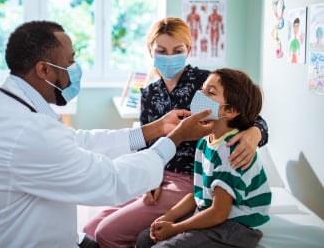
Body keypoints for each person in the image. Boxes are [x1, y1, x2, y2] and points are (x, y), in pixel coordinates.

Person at [0, 20, 214, 248]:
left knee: (100, 234)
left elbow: (78, 141)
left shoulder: (5, 105)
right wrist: (174, 138)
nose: (76, 68)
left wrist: (155, 130)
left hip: (30, 234)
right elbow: (112, 181)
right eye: (71, 61)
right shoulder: (25, 131)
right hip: (11, 241)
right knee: (99, 230)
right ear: (44, 70)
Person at [82, 17, 268, 248]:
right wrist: (149, 176)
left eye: (177, 50)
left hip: (192, 179)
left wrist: (254, 134)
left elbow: (250, 116)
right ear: (150, 51)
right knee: (90, 230)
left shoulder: (206, 82)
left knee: (107, 233)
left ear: (188, 50)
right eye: (161, 50)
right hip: (157, 174)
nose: (169, 57)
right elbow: (146, 143)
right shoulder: (150, 92)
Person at [136, 68, 272, 248]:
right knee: (145, 238)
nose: (200, 95)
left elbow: (218, 213)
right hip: (212, 211)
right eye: (202, 89)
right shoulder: (204, 142)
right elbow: (198, 194)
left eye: (211, 92)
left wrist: (175, 228)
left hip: (235, 226)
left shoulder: (230, 150)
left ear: (230, 110)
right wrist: (168, 217)